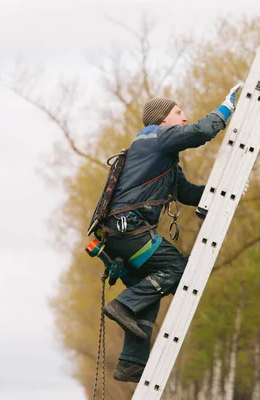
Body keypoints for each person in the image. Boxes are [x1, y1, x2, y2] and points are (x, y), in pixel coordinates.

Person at [98, 82, 242, 382]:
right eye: (178, 112)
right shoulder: (154, 138)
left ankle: (131, 363)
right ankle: (124, 304)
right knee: (178, 267)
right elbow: (199, 133)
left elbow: (188, 193)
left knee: (150, 292)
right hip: (131, 230)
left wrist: (226, 193)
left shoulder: (160, 157)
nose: (184, 117)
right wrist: (225, 110)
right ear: (163, 119)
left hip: (119, 237)